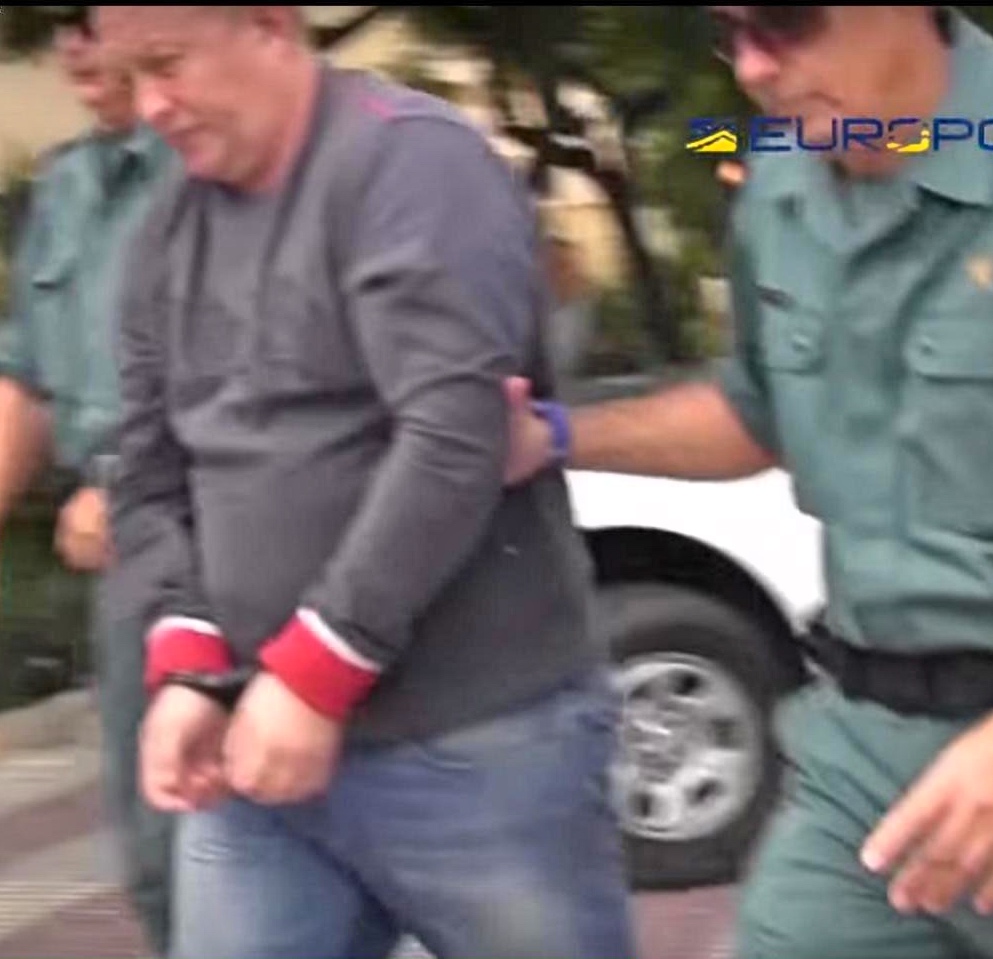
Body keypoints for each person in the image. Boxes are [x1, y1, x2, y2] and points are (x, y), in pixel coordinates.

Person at [94, 7, 636, 958]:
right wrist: (188, 664)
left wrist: (316, 670)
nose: (150, 106)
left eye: (167, 64)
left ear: (270, 25)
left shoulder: (413, 165)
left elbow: (450, 438)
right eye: (129, 76)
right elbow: (145, 467)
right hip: (255, 742)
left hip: (473, 743)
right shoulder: (168, 228)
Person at [505, 6, 993, 959]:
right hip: (865, 744)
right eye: (729, 32)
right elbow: (759, 414)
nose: (753, 68)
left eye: (784, 22)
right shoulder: (779, 181)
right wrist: (549, 434)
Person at [0, 21, 176, 956]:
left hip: (231, 534)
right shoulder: (67, 184)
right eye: (53, 25)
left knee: (245, 841)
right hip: (122, 560)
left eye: (87, 19)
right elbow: (26, 375)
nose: (70, 46)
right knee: (157, 856)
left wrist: (133, 480)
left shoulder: (214, 165)